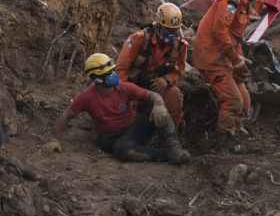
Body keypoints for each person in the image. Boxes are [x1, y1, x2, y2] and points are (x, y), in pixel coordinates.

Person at [42, 53, 190, 164]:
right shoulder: (87, 97)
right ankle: (163, 156)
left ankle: (174, 148)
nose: (112, 76)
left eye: (112, 71)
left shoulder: (124, 88)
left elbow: (151, 95)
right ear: (96, 78)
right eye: (107, 74)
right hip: (112, 139)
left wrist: (158, 104)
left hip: (134, 129)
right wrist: (55, 140)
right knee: (123, 150)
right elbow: (66, 115)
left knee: (159, 109)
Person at [192, 0, 260, 137]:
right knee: (233, 101)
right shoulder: (229, 2)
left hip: (224, 56)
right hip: (211, 58)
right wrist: (235, 59)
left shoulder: (242, 6)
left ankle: (235, 129)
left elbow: (234, 38)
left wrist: (239, 61)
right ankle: (223, 138)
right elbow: (219, 31)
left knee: (245, 101)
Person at [115, 3, 188, 128]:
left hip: (156, 88)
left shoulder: (179, 46)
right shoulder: (138, 39)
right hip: (134, 86)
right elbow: (121, 69)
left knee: (175, 96)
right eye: (167, 30)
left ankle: (170, 135)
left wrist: (167, 79)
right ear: (158, 26)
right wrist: (124, 95)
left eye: (174, 31)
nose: (170, 35)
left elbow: (178, 72)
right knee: (125, 116)